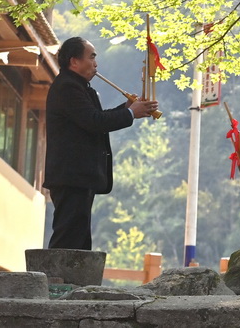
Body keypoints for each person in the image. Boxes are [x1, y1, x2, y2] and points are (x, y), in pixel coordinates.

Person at [44, 37, 158, 250]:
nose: (96, 63)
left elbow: (95, 118)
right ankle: (57, 281)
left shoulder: (80, 87)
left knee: (78, 237)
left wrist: (127, 108)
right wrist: (130, 114)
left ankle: (72, 280)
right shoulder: (67, 87)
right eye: (92, 57)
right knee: (68, 236)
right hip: (71, 175)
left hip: (79, 176)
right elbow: (94, 122)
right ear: (74, 61)